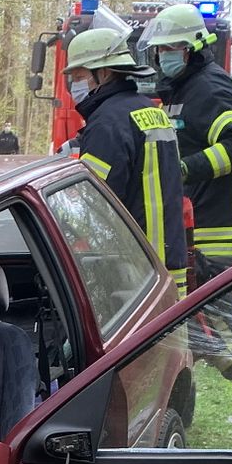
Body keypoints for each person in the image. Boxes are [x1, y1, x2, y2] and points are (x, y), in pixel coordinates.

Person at [64, 26, 188, 293]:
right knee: (175, 320)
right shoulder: (149, 110)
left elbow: (93, 204)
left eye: (79, 76)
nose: (75, 86)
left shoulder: (108, 122)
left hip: (136, 269)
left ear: (104, 73)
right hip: (169, 258)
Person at [146, 3, 232, 283]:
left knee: (212, 312)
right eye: (159, 49)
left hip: (215, 235)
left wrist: (183, 169)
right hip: (194, 227)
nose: (163, 55)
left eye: (170, 47)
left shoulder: (210, 87)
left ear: (193, 47)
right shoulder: (181, 88)